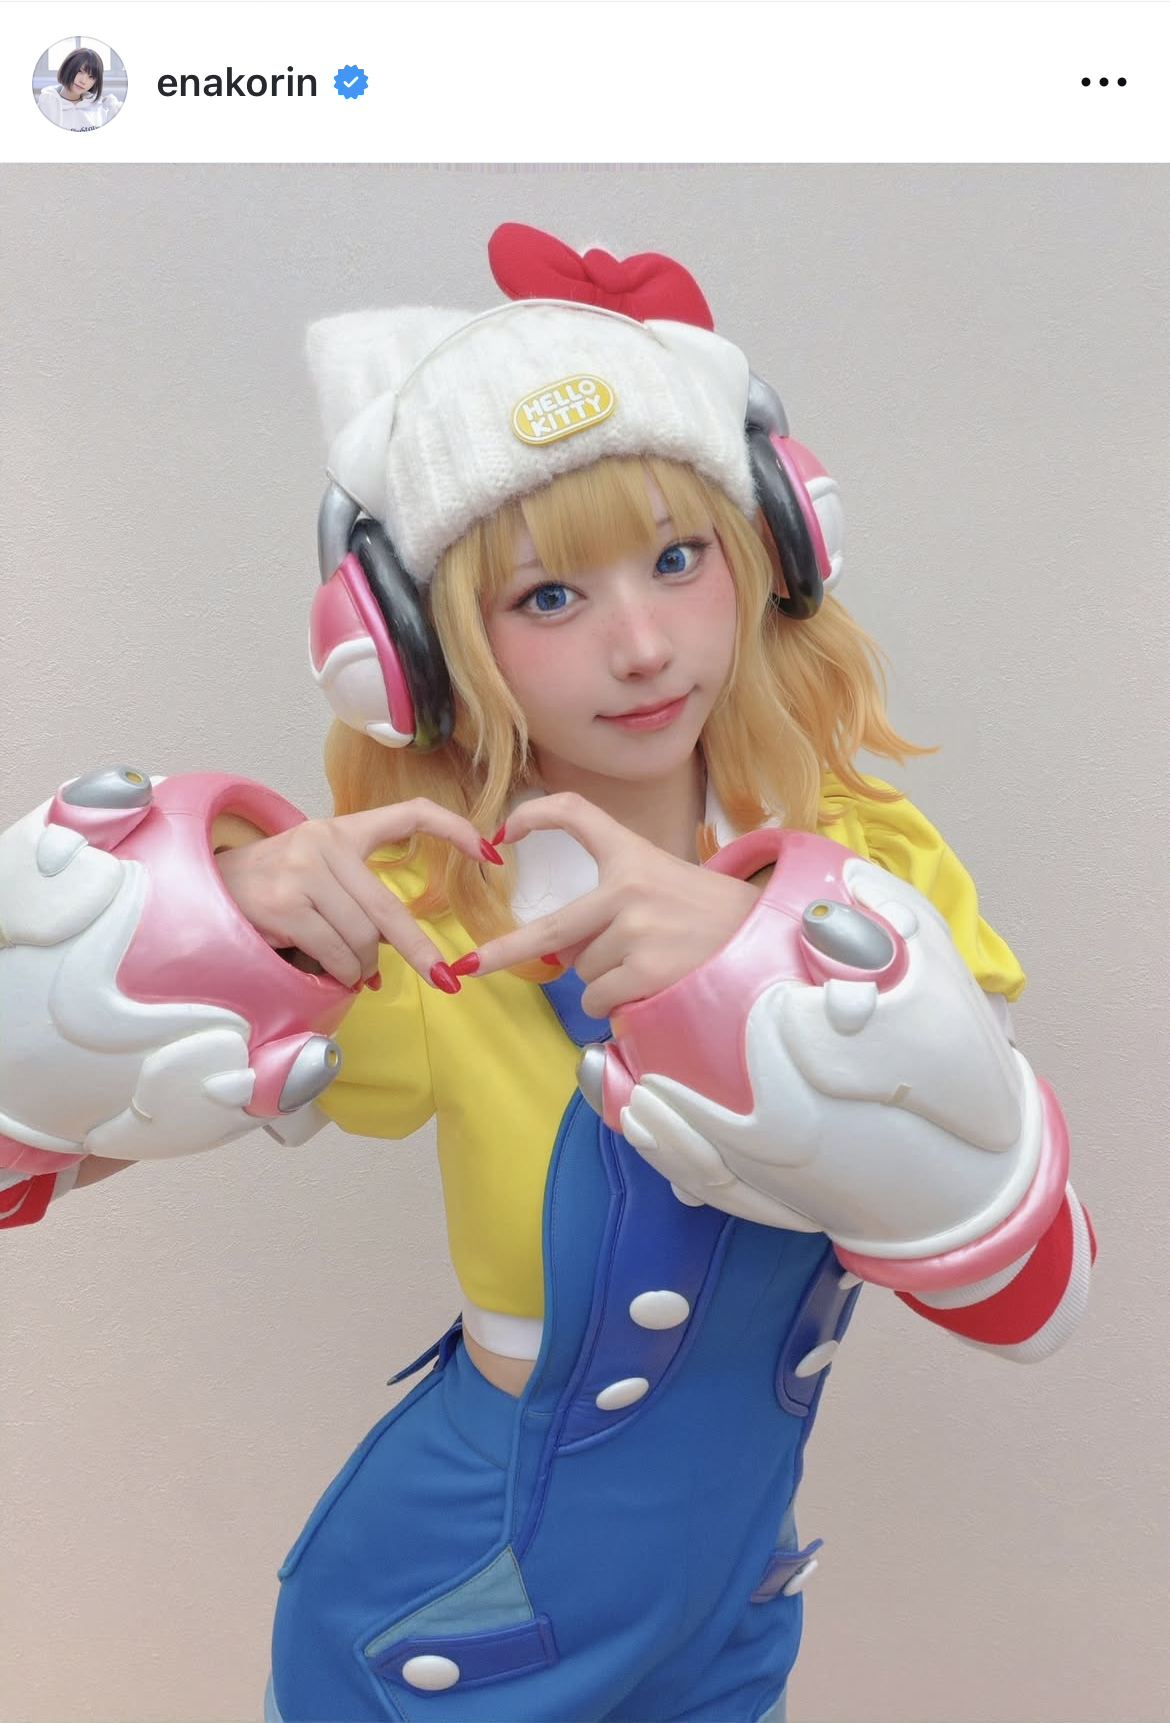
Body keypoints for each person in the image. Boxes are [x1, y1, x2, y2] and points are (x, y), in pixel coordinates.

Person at [0, 223, 1094, 1722]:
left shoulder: (868, 865)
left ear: (769, 544)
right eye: (549, 598)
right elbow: (22, 1164)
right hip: (458, 1605)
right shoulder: (431, 919)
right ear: (418, 651)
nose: (642, 645)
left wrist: (767, 975)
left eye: (677, 558)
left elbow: (1027, 1282)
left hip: (726, 1599)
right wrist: (190, 934)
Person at [36, 47, 121, 132]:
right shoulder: (47, 103)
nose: (83, 81)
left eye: (91, 76)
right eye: (80, 71)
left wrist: (112, 105)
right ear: (67, 68)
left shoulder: (98, 106)